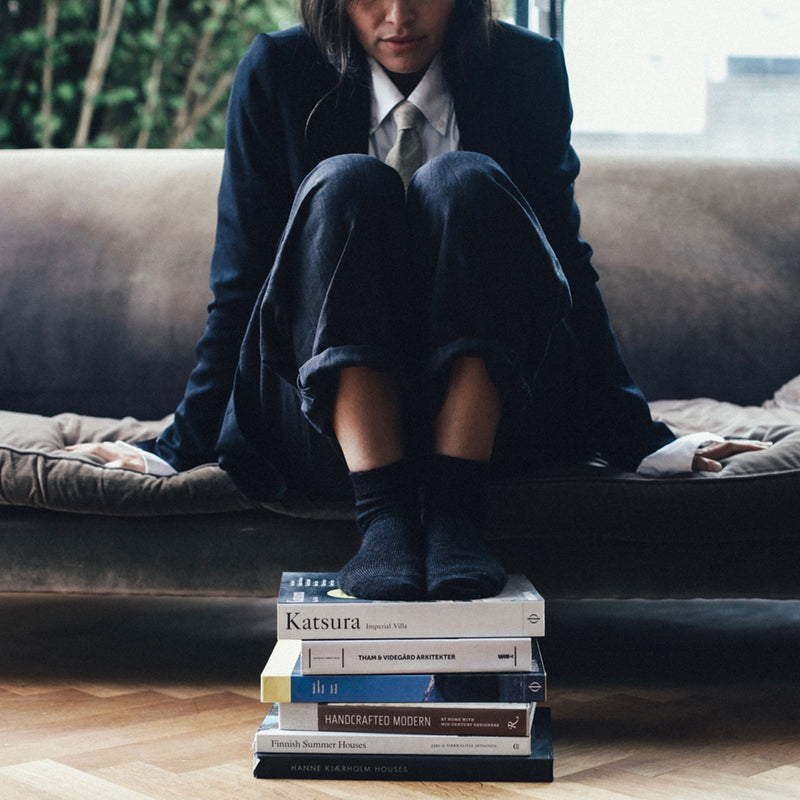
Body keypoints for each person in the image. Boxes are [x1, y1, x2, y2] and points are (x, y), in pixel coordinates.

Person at [69, 0, 770, 601]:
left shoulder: (525, 70)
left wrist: (640, 438)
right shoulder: (280, 71)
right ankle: (386, 521)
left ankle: (457, 514)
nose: (398, 17)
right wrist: (177, 445)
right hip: (320, 428)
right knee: (347, 182)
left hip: (494, 422)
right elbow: (244, 281)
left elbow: (562, 267)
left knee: (463, 181)